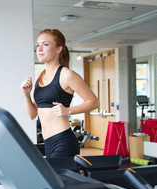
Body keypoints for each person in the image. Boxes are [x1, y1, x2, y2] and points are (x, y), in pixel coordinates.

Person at [21, 29, 100, 158]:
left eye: (45, 44)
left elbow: (94, 102)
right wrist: (25, 94)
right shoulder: (39, 78)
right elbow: (32, 114)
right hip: (48, 142)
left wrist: (68, 111)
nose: (39, 49)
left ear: (58, 49)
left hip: (63, 141)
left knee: (57, 178)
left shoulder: (67, 75)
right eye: (38, 45)